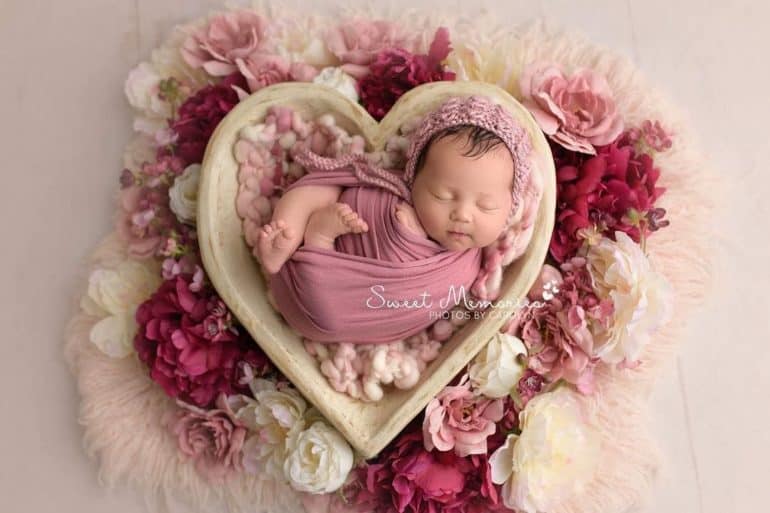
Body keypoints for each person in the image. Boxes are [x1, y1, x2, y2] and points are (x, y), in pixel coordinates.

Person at [254, 95, 534, 344]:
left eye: (486, 206)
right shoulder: (391, 190)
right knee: (317, 187)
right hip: (329, 239)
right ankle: (284, 239)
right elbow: (347, 185)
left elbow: (417, 307)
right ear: (412, 178)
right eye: (442, 195)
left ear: (510, 208)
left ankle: (319, 240)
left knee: (328, 312)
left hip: (326, 309)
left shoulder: (466, 270)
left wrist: (409, 241)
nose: (462, 214)